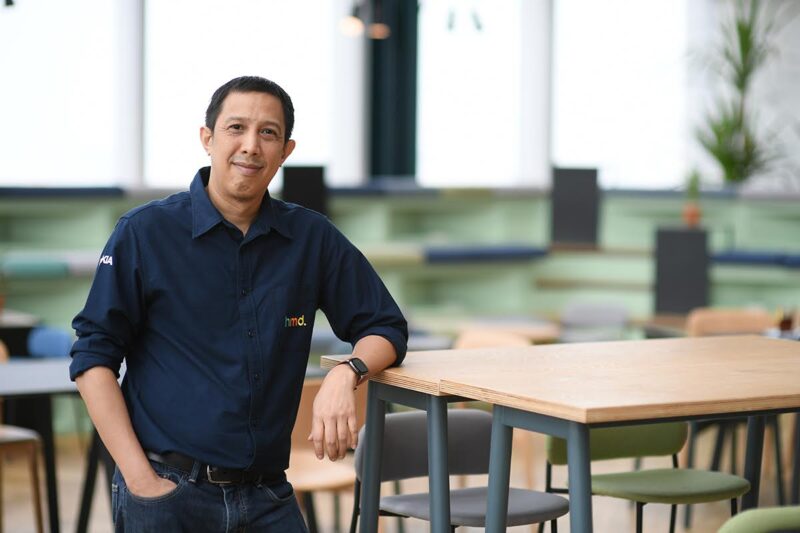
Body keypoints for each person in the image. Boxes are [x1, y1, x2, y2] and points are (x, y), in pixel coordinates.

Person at [69, 75, 408, 532]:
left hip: (268, 495)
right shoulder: (144, 233)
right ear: (207, 139)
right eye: (236, 128)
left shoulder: (311, 238)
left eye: (268, 133)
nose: (251, 145)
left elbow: (385, 327)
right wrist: (139, 480)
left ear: (285, 151)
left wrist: (346, 373)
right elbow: (93, 358)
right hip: (168, 491)